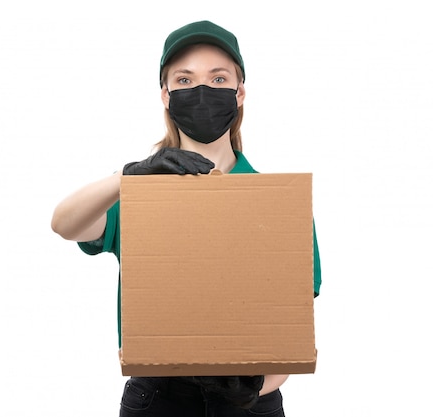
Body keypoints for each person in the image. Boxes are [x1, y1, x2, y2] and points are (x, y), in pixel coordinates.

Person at [51, 20, 321, 417]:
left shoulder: (277, 201)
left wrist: (256, 388)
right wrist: (127, 177)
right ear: (165, 95)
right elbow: (65, 224)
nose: (201, 91)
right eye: (184, 79)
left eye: (217, 78)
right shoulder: (138, 190)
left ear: (239, 91)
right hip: (159, 398)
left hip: (249, 400)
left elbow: (293, 322)